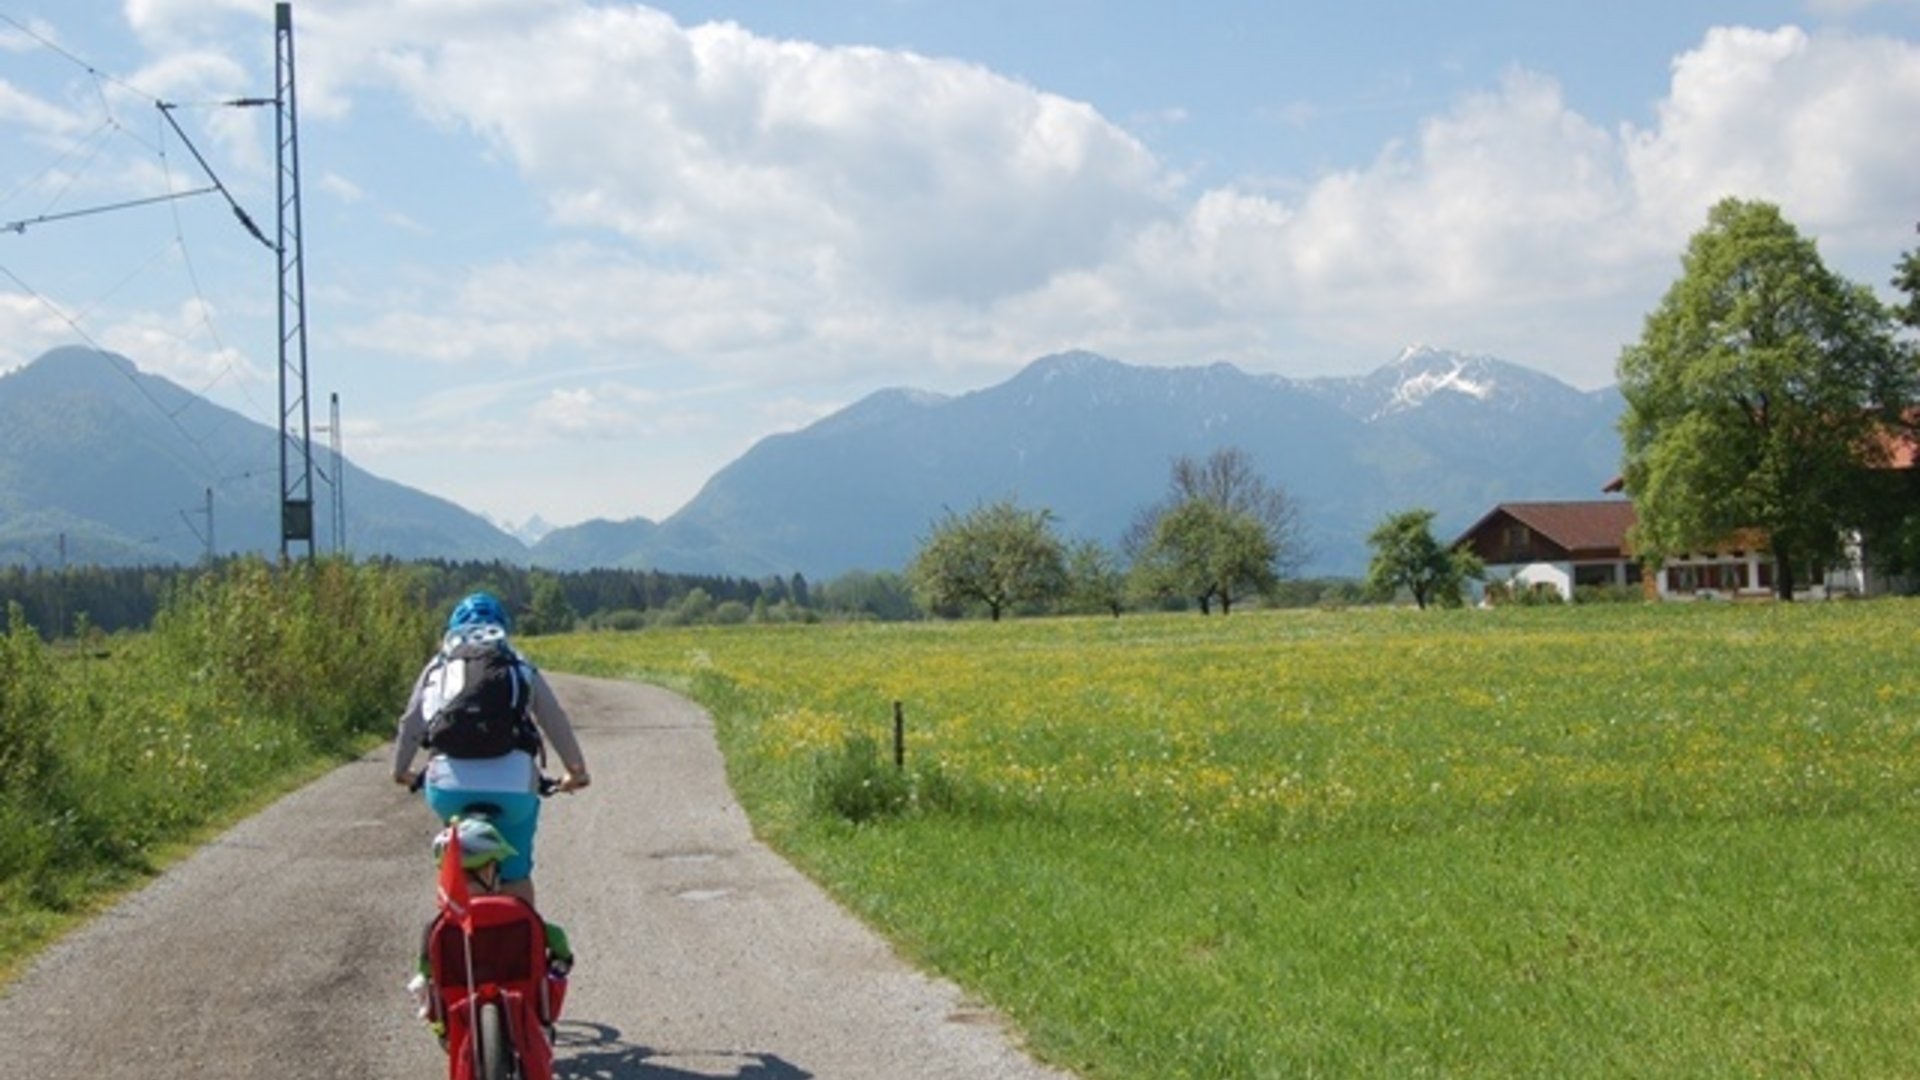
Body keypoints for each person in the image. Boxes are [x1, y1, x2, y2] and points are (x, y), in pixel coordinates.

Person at [392, 591, 589, 906]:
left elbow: (411, 723)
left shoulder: (439, 667)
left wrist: (401, 771)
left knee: (456, 863)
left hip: (448, 790)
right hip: (513, 789)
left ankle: (452, 939)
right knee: (515, 873)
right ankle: (522, 943)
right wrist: (576, 772)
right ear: (502, 629)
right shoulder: (518, 664)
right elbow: (555, 721)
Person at [408, 817, 573, 1038]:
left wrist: (423, 974)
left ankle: (442, 1026)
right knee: (556, 968)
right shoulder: (517, 913)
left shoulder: (438, 927)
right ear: (488, 871)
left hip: (460, 1006)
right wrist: (562, 957)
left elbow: (427, 967)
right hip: (521, 998)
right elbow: (555, 937)